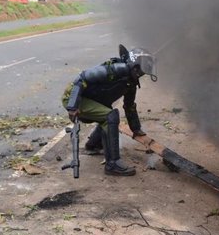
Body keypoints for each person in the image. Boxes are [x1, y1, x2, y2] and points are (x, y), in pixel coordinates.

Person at [62, 45, 157, 176]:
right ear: (134, 65)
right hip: (76, 99)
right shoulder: (114, 69)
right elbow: (81, 79)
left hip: (91, 100)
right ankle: (112, 164)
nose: (141, 73)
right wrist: (73, 106)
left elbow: (129, 106)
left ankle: (93, 145)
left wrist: (136, 129)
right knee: (110, 116)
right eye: (141, 69)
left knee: (107, 115)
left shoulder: (130, 81)